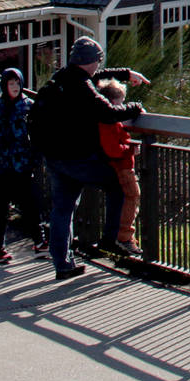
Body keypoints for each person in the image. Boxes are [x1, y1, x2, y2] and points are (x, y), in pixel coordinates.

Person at [40, 37, 146, 281]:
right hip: (75, 158)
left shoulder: (62, 78)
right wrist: (135, 107)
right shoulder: (83, 87)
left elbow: (99, 76)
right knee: (117, 185)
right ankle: (112, 239)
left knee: (62, 209)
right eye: (98, 62)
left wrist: (125, 73)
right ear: (91, 62)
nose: (99, 67)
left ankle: (63, 264)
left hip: (54, 156)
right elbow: (109, 112)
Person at [0, 67, 45, 263]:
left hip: (22, 166)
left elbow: (38, 134)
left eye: (17, 83)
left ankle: (39, 242)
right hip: (0, 168)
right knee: (0, 210)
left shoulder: (28, 107)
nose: (14, 87)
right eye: (10, 83)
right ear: (4, 86)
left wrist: (34, 158)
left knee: (31, 206)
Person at [95, 75, 144, 259]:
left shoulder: (109, 119)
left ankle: (119, 236)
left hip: (119, 165)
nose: (123, 106)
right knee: (131, 196)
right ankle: (124, 237)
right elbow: (114, 150)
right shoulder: (108, 122)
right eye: (121, 102)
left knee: (125, 198)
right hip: (121, 166)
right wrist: (131, 149)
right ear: (113, 101)